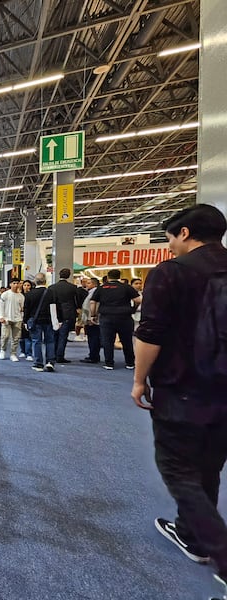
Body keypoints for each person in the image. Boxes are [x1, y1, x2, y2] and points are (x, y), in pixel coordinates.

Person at [131, 204, 227, 599]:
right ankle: (191, 535)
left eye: (170, 238)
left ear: (184, 233)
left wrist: (139, 380)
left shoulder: (171, 273)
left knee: (177, 468)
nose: (170, 246)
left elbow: (151, 332)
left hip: (184, 387)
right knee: (209, 462)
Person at [90, 268, 140, 370]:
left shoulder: (102, 288)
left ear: (108, 277)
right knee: (127, 341)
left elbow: (92, 302)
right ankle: (130, 363)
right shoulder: (126, 287)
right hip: (124, 317)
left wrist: (93, 315)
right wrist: (133, 309)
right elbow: (138, 300)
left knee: (107, 341)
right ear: (119, 276)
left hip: (106, 317)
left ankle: (109, 363)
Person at [23, 272, 60, 372]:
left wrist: (25, 321)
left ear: (35, 281)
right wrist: (58, 320)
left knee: (36, 341)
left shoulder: (30, 294)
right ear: (45, 281)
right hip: (49, 320)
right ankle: (50, 362)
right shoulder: (51, 292)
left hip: (35, 320)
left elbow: (26, 309)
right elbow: (57, 307)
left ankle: (38, 364)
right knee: (50, 341)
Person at [48, 268, 79, 363]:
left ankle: (52, 355)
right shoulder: (73, 287)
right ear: (69, 275)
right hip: (68, 313)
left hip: (54, 313)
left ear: (59, 274)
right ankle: (60, 356)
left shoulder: (52, 287)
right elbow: (76, 301)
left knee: (53, 335)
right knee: (63, 336)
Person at [0, 278, 23, 361]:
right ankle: (3, 350)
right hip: (6, 318)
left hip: (17, 318)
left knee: (16, 337)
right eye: (14, 283)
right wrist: (1, 316)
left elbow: (22, 308)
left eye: (17, 283)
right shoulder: (5, 294)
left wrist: (22, 318)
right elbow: (1, 306)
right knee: (5, 336)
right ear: (10, 284)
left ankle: (13, 353)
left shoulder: (21, 296)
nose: (16, 285)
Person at [79, 277, 102, 364]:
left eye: (89, 283)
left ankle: (93, 356)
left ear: (94, 284)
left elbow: (92, 305)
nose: (86, 284)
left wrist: (91, 316)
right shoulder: (91, 292)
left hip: (92, 319)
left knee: (93, 338)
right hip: (91, 318)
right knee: (93, 337)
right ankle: (93, 355)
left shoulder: (94, 292)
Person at [18, 280, 34, 360]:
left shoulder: (32, 295)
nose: (26, 287)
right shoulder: (20, 295)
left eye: (28, 285)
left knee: (28, 336)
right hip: (19, 317)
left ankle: (29, 353)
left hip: (29, 317)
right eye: (25, 285)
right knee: (21, 336)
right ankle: (22, 351)